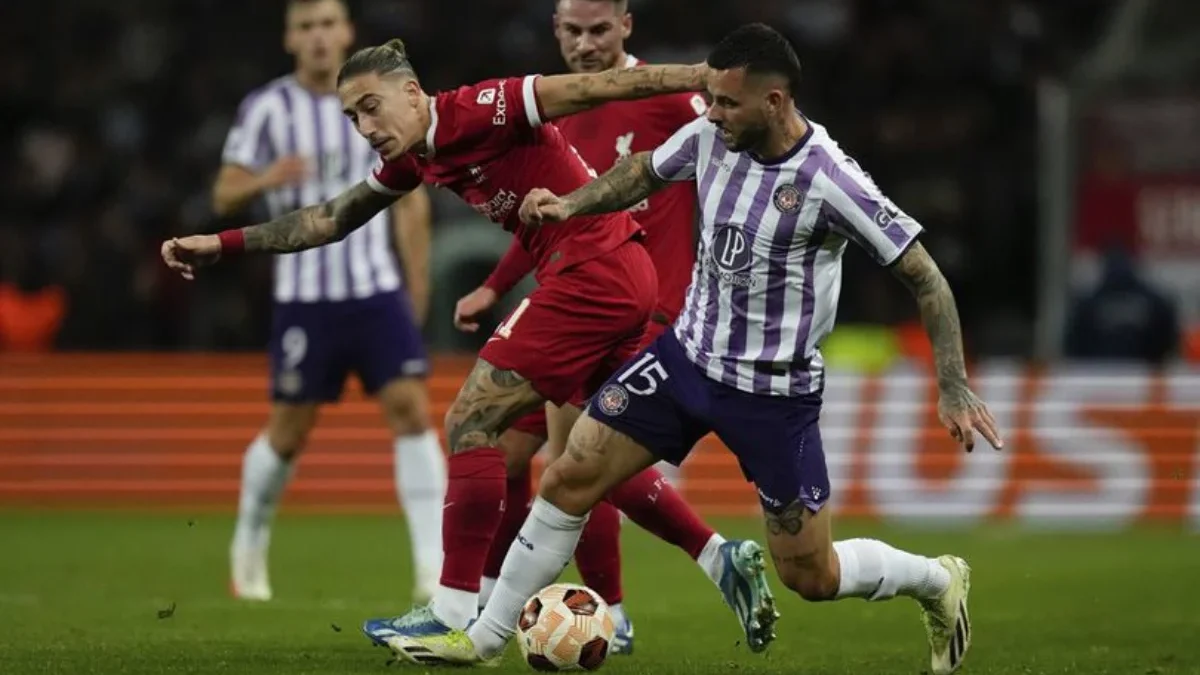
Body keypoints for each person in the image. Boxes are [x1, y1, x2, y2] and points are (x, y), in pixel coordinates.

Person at [384, 23, 1004, 675]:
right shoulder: (711, 135)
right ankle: (482, 638)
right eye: (711, 99)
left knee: (809, 573)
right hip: (685, 361)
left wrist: (953, 384)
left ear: (776, 102)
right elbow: (639, 175)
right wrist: (569, 205)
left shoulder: (829, 179)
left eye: (728, 103)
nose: (713, 113)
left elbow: (924, 275)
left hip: (774, 394)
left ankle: (937, 579)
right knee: (570, 475)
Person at [161, 37, 771, 651]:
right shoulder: (418, 158)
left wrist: (699, 74)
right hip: (614, 270)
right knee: (591, 459)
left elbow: (593, 87)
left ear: (411, 92)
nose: (365, 127)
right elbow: (330, 218)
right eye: (353, 117)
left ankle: (455, 611)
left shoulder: (483, 107)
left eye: (372, 107)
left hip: (592, 273)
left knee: (470, 421)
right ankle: (720, 557)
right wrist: (223, 243)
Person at [463, 0, 715, 654]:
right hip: (568, 296)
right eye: (572, 32)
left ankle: (618, 609)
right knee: (508, 450)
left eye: (599, 30)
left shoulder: (667, 101)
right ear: (555, 32)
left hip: (642, 305)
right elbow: (549, 215)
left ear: (627, 26)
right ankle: (487, 591)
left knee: (575, 456)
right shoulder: (553, 110)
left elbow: (733, 147)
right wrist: (494, 284)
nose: (585, 44)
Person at [210, 0, 444, 603]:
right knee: (289, 432)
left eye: (327, 25)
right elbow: (223, 194)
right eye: (306, 27)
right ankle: (250, 544)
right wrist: (266, 179)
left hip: (374, 289)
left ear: (346, 32)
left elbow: (412, 195)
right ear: (291, 38)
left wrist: (415, 282)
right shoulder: (267, 108)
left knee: (412, 410)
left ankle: (431, 567)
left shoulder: (380, 103)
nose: (318, 37)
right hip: (305, 297)